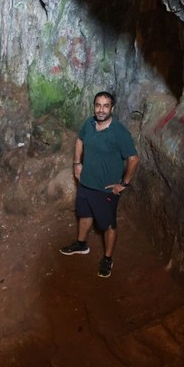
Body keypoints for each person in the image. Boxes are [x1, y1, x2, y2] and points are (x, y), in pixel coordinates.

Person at [59, 91, 140, 278]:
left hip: (106, 189)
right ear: (94, 106)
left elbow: (134, 159)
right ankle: (81, 244)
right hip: (86, 182)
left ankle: (107, 258)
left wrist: (124, 184)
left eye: (105, 106)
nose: (101, 109)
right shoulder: (89, 124)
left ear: (112, 108)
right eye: (98, 105)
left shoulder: (119, 132)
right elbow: (80, 140)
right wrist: (77, 163)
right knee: (84, 214)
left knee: (108, 224)